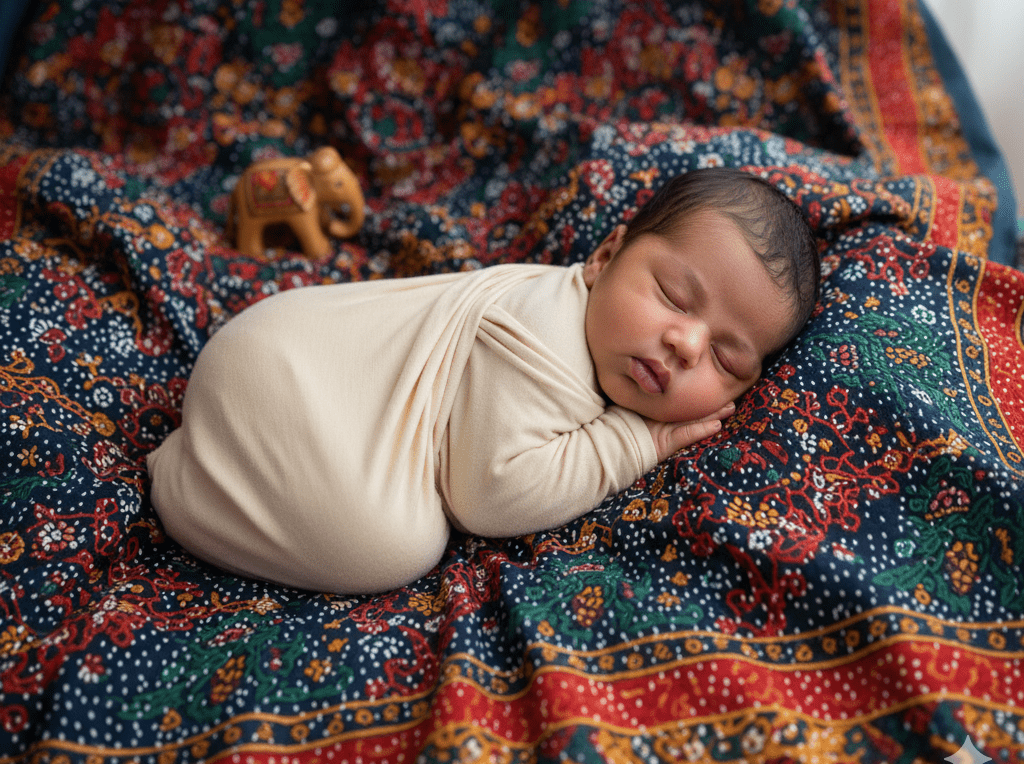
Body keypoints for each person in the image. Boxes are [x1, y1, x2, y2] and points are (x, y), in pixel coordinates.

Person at [147, 167, 820, 595]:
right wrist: (633, 443)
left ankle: (206, 470)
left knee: (387, 528)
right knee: (393, 544)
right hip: (280, 378)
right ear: (606, 256)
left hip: (288, 372)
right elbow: (490, 497)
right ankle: (186, 489)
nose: (685, 343)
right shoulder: (545, 336)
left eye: (727, 360)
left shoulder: (587, 324)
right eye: (674, 295)